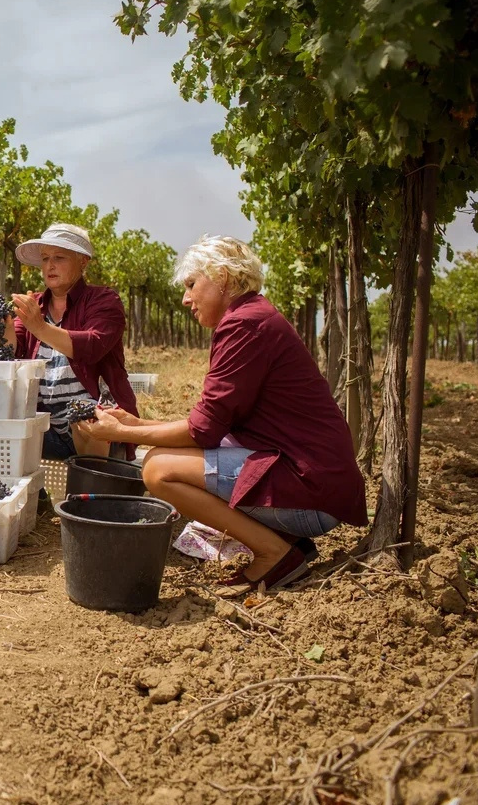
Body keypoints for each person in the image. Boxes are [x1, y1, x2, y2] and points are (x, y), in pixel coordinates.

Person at [75, 235, 367, 594]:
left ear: (223, 278)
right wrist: (136, 424)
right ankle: (285, 541)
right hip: (313, 483)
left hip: (310, 494)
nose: (186, 298)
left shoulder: (243, 325)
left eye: (191, 284)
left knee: (158, 470)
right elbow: (214, 423)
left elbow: (202, 433)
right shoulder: (253, 316)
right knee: (166, 457)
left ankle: (275, 553)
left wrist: (121, 434)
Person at [0, 223, 138, 461]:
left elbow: (92, 347)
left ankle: (95, 481)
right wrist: (6, 327)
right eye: (45, 258)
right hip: (47, 427)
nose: (49, 265)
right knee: (3, 421)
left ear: (83, 261)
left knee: (86, 417)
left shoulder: (104, 300)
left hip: (97, 429)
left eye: (59, 257)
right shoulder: (35, 305)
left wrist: (40, 327)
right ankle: (36, 496)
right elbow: (11, 352)